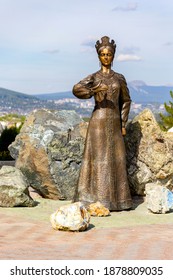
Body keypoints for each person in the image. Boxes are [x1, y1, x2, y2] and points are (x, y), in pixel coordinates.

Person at [72, 36, 132, 211]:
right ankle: (95, 199)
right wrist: (92, 91)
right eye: (103, 54)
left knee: (117, 158)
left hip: (114, 122)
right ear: (99, 57)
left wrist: (123, 123)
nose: (106, 57)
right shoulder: (94, 77)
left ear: (113, 56)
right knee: (98, 159)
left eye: (109, 54)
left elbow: (126, 101)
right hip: (98, 121)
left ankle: (119, 200)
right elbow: (76, 89)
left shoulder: (119, 78)